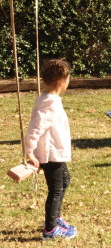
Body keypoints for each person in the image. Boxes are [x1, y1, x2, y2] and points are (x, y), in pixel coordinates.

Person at [25, 59, 77, 239]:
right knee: (56, 189)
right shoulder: (50, 103)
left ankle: (56, 217)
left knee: (65, 180)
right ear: (62, 81)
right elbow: (35, 127)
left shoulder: (48, 98)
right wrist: (29, 151)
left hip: (56, 151)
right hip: (50, 154)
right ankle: (50, 229)